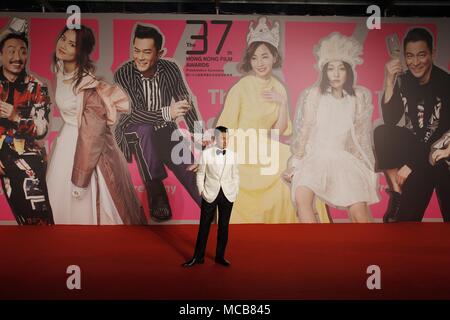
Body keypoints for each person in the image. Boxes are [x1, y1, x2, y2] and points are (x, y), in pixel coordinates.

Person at [216, 17, 328, 223]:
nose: (260, 63)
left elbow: (280, 130)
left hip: (264, 144)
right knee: (283, 160)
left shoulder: (278, 87)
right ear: (249, 60)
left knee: (297, 164)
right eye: (255, 58)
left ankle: (307, 226)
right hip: (241, 144)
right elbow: (224, 126)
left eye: (265, 57)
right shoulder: (242, 86)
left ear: (274, 57)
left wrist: (283, 103)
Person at [46, 25, 146, 225]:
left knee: (83, 206)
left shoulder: (88, 86)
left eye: (72, 44)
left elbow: (92, 136)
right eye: (63, 38)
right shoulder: (62, 70)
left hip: (85, 149)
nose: (63, 45)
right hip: (66, 144)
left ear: (81, 51)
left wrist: (81, 180)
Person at [283, 32, 379, 223]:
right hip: (315, 159)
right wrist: (295, 164)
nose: (335, 74)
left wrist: (368, 169)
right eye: (330, 69)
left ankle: (369, 250)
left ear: (348, 71)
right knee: (302, 198)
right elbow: (305, 132)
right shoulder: (314, 95)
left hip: (344, 160)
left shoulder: (357, 98)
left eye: (341, 69)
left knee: (359, 213)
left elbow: (360, 138)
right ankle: (314, 246)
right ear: (324, 71)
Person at [114, 24, 201, 222]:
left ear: (159, 53)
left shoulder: (170, 69)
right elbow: (135, 113)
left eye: (146, 52)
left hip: (165, 131)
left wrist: (199, 134)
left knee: (190, 170)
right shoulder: (124, 73)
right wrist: (168, 112)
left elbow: (184, 101)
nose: (140, 57)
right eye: (136, 50)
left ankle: (211, 212)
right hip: (135, 131)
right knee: (145, 129)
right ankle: (156, 191)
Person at [374, 27, 450, 222]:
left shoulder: (445, 84)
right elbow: (391, 118)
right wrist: (389, 81)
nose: (415, 62)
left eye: (421, 55)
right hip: (418, 155)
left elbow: (439, 134)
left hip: (441, 157)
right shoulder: (404, 81)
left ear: (433, 54)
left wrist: (410, 165)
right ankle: (397, 193)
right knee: (382, 132)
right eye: (410, 56)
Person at [0, 18, 54, 225]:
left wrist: (16, 117)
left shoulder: (37, 87)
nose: (17, 57)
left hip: (23, 152)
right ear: (1, 54)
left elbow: (42, 129)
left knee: (36, 213)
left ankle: (41, 244)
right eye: (11, 50)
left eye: (22, 51)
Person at [183, 126, 239, 267]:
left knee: (224, 226)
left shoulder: (233, 155)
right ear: (215, 139)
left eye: (227, 137)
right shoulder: (206, 154)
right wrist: (201, 190)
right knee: (204, 226)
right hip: (210, 193)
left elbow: (235, 175)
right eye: (222, 137)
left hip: (227, 194)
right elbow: (200, 173)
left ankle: (220, 256)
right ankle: (198, 257)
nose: (225, 140)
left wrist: (235, 190)